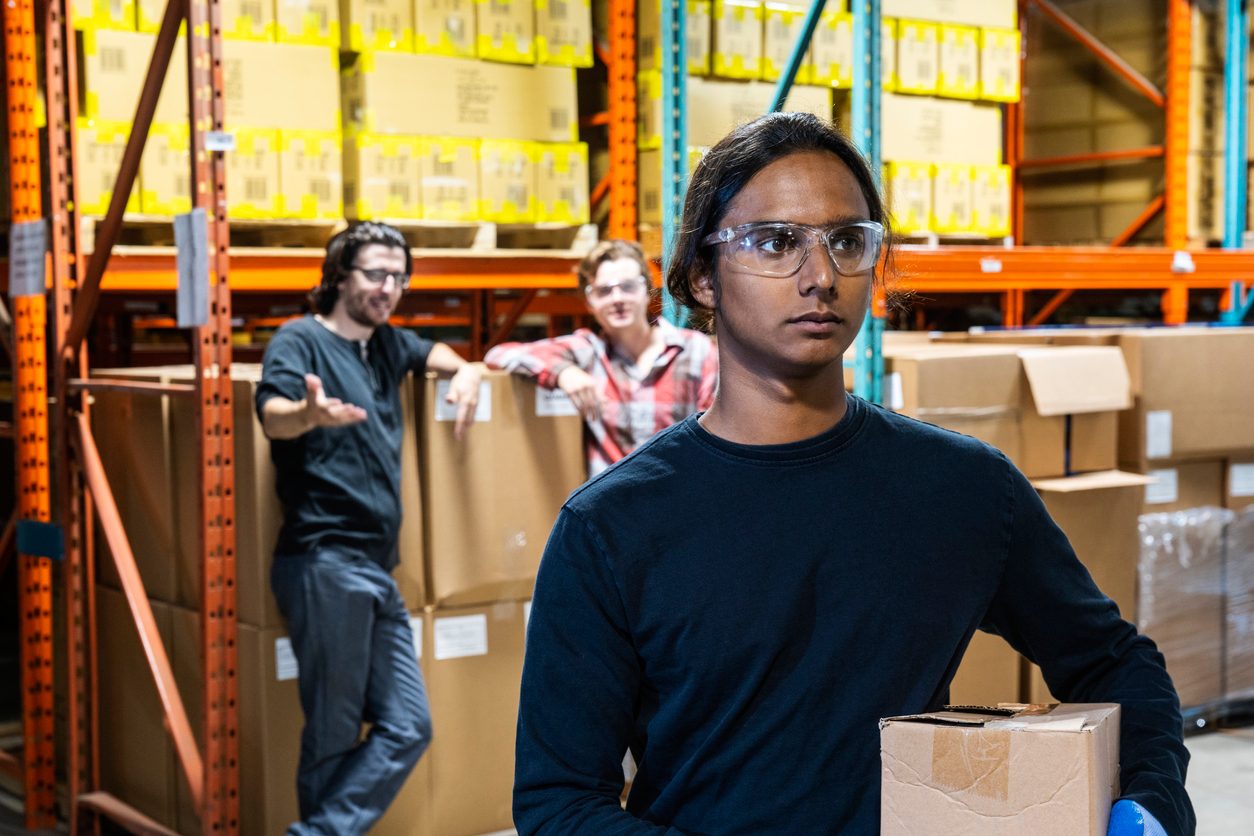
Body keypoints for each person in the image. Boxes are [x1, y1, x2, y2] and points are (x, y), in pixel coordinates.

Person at [513, 114, 1191, 835]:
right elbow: (559, 803)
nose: (820, 276)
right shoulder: (612, 528)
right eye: (775, 243)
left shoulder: (962, 490)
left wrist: (1149, 803)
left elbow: (1116, 662)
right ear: (701, 278)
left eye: (847, 241)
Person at [256, 222, 485, 835]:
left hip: (377, 568)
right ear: (339, 275)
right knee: (332, 729)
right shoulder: (299, 340)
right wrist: (306, 413)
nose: (389, 287)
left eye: (398, 277)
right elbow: (272, 416)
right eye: (375, 274)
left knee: (410, 724)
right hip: (323, 560)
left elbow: (433, 353)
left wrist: (466, 369)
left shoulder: (385, 346)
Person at [484, 239, 718, 476]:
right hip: (610, 506)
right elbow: (500, 354)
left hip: (680, 497)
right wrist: (563, 372)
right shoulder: (589, 353)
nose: (617, 299)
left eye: (627, 287)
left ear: (646, 291)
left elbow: (714, 437)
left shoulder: (695, 351)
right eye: (604, 291)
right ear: (589, 303)